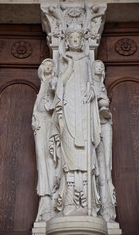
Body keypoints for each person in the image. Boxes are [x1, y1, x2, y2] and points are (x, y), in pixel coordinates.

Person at [55, 28, 101, 216]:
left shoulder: (87, 60)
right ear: (66, 41)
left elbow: (93, 84)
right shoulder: (63, 58)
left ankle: (86, 202)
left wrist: (93, 91)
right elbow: (58, 84)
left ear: (82, 41)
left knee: (85, 153)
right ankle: (69, 202)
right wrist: (69, 65)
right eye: (72, 37)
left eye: (77, 37)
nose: (75, 40)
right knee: (69, 153)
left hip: (83, 111)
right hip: (68, 109)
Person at [32, 58, 60, 221]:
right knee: (42, 160)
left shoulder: (52, 81)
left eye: (51, 65)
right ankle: (45, 203)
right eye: (46, 65)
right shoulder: (43, 83)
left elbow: (56, 92)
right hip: (40, 124)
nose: (49, 67)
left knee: (50, 159)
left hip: (50, 123)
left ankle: (51, 200)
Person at [93, 60, 116, 222]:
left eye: (102, 67)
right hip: (93, 127)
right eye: (97, 67)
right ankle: (102, 205)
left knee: (106, 165)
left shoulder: (101, 85)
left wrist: (103, 106)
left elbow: (104, 102)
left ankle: (108, 207)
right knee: (99, 166)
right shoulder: (88, 84)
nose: (100, 69)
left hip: (105, 124)